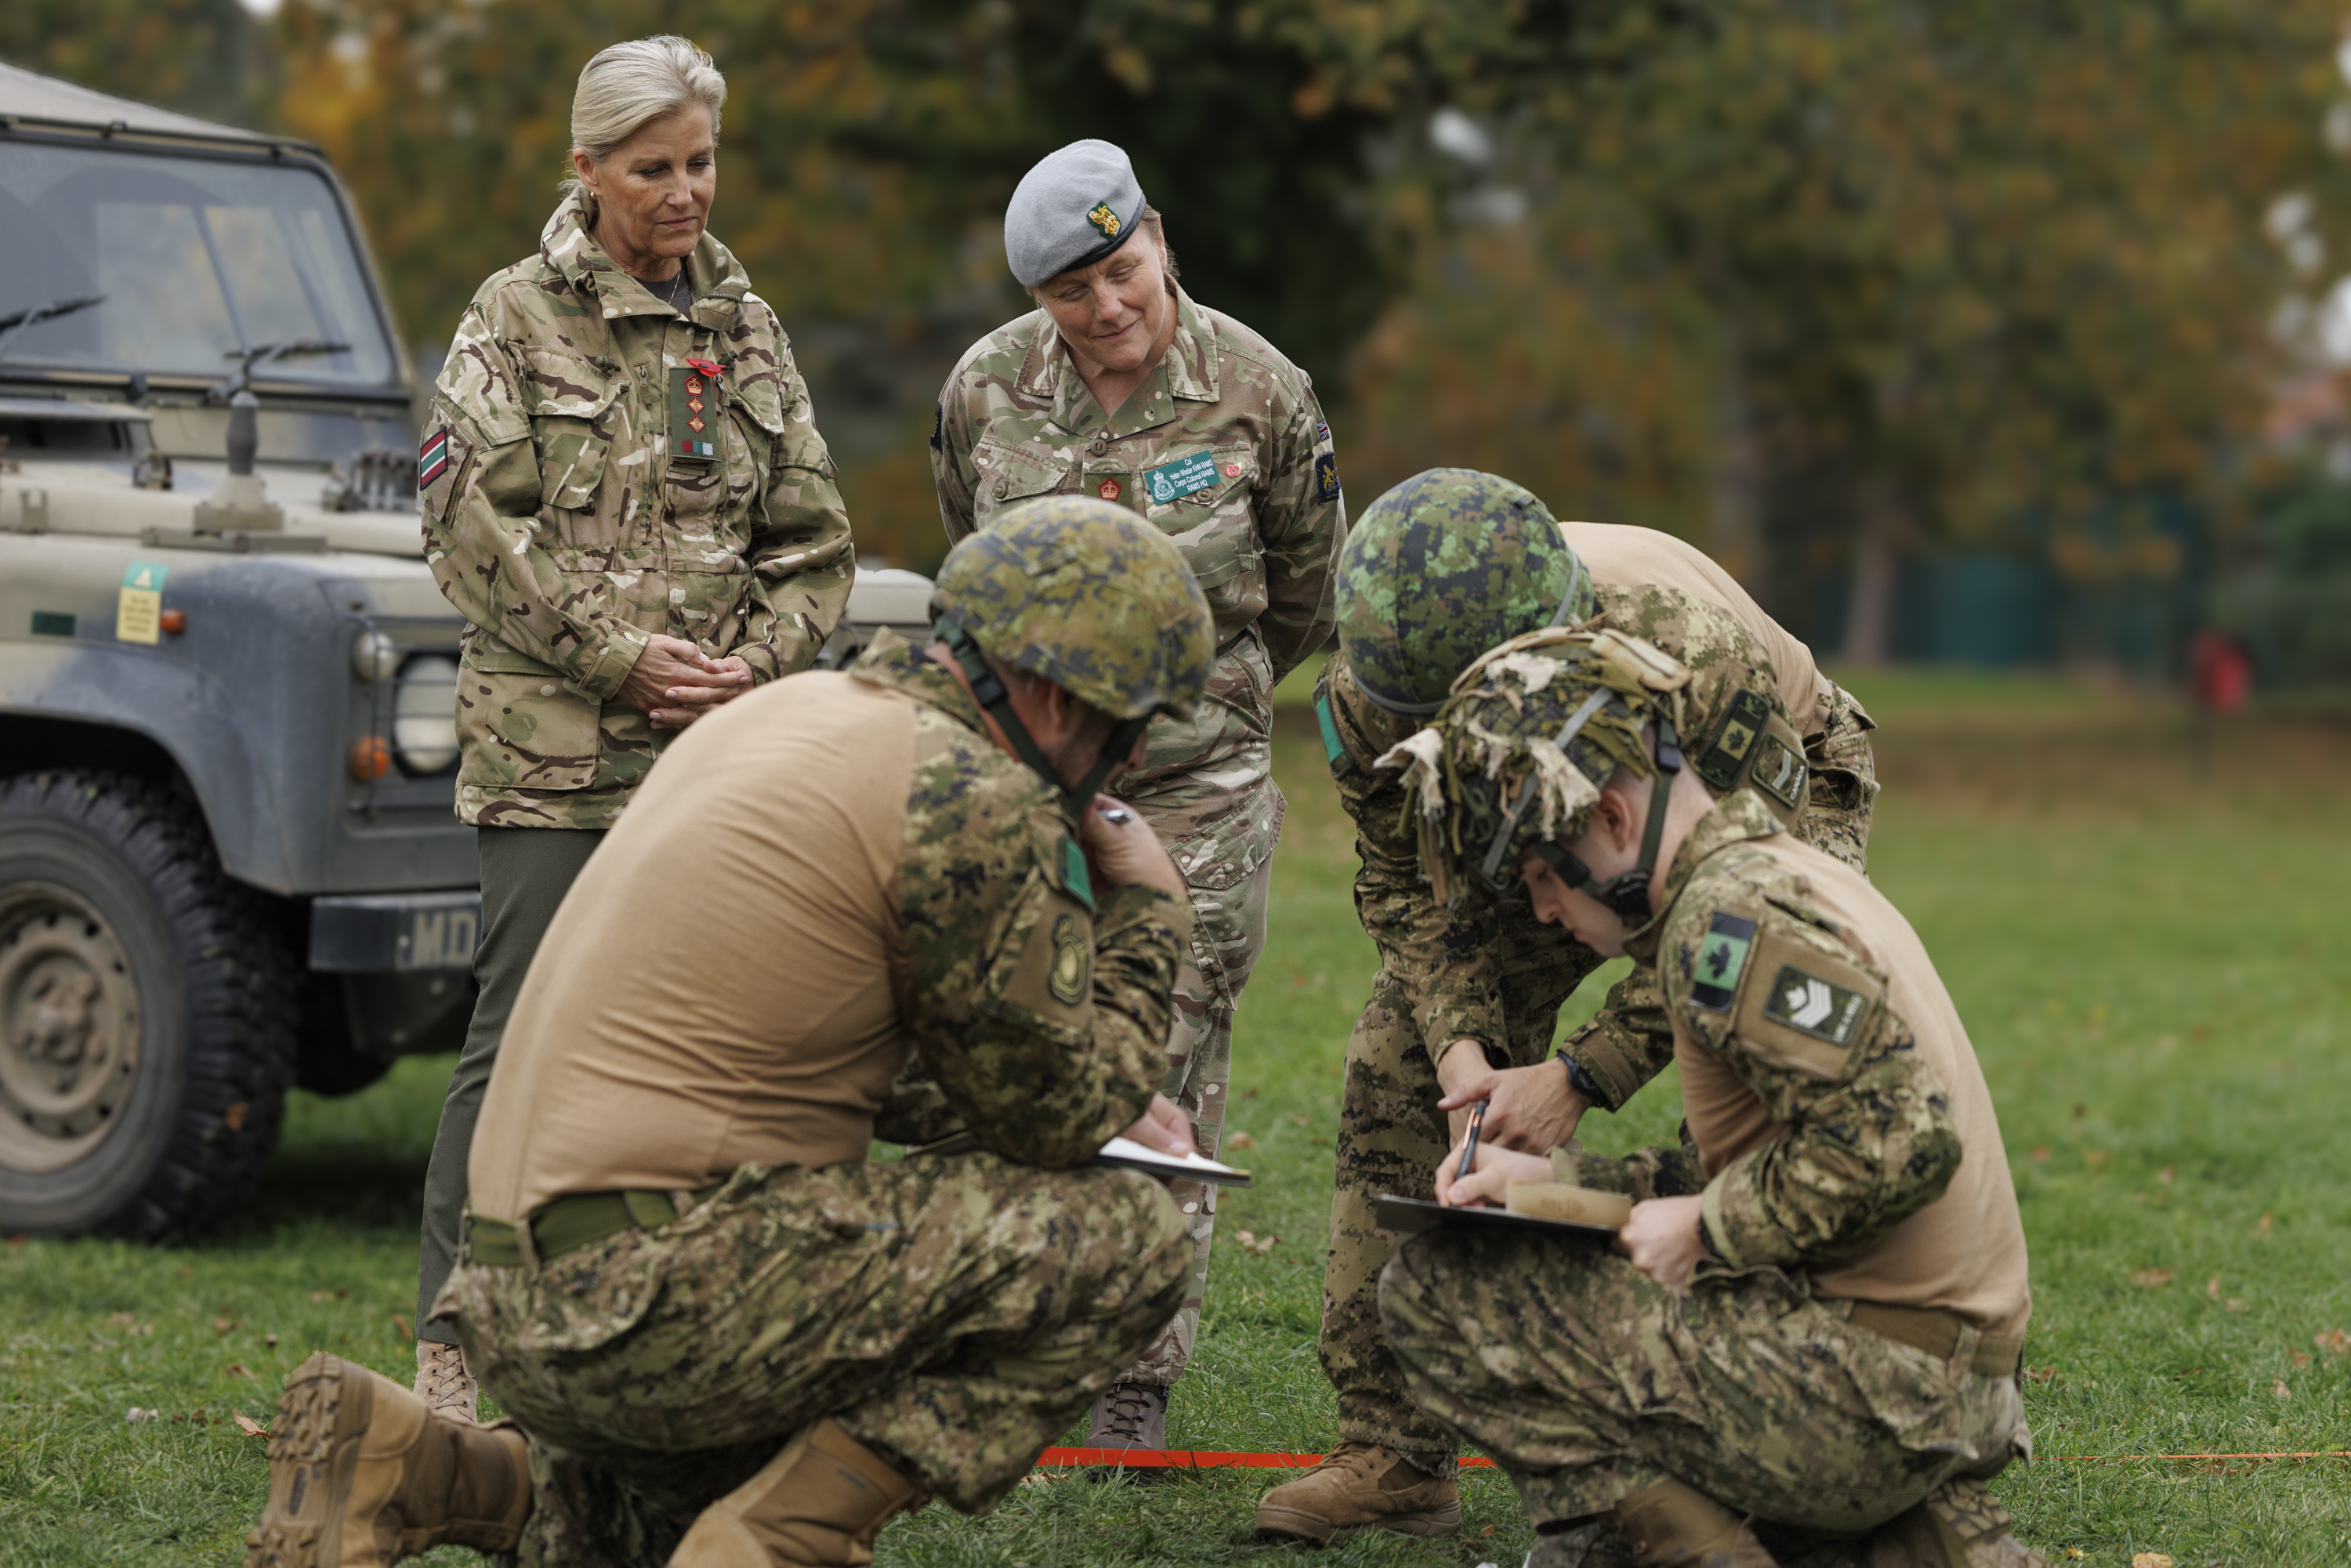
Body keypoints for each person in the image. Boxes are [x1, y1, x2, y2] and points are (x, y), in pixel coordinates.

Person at [243, 498, 1215, 1568]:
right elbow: (1056, 1113)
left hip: (517, 1296)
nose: (1119, 766)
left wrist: (1061, 1098)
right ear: (1046, 689)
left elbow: (837, 1050)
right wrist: (1148, 910)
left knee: (659, 1525)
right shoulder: (965, 791)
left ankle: (426, 1467)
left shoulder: (789, 717)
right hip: (664, 1291)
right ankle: (782, 1542)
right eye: (1125, 726)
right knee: (1125, 1237)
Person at [1260, 468, 1872, 1543]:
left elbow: (1742, 882)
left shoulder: (1679, 650)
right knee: (1395, 1060)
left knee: (1739, 1076)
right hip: (1529, 815)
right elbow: (1408, 883)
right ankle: (1394, 1447)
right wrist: (1463, 1053)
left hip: (1754, 799)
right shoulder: (1369, 690)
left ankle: (1752, 1441)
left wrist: (1582, 1075)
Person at [409, 34, 853, 1421]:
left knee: (711, 1050)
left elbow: (817, 542)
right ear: (587, 168)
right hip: (558, 760)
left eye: (702, 162)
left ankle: (663, 1337)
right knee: (519, 1043)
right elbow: (467, 526)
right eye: (652, 167)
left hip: (713, 760)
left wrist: (748, 668)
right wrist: (620, 660)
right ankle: (456, 1345)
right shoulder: (512, 317)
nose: (684, 192)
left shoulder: (747, 330)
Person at [1375, 643, 2038, 1568]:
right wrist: (1552, 1185)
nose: (1540, 913)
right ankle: (1896, 1536)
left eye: (1540, 877)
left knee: (1437, 1293)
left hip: (1879, 1393)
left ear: (1611, 816)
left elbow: (1900, 1140)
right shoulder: (1783, 872)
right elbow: (1771, 1159)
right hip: (1933, 1377)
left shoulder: (1727, 923)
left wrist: (1709, 1228)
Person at [932, 137, 1345, 1451]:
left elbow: (1307, 590)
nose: (1107, 307)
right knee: (1014, 1034)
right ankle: (1007, 1337)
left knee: (1163, 1048)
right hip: (1031, 786)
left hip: (1195, 785)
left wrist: (1203, 700)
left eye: (1123, 269)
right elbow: (970, 556)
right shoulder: (985, 389)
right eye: (1073, 289)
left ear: (1158, 237)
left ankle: (1129, 1378)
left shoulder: (1260, 389)